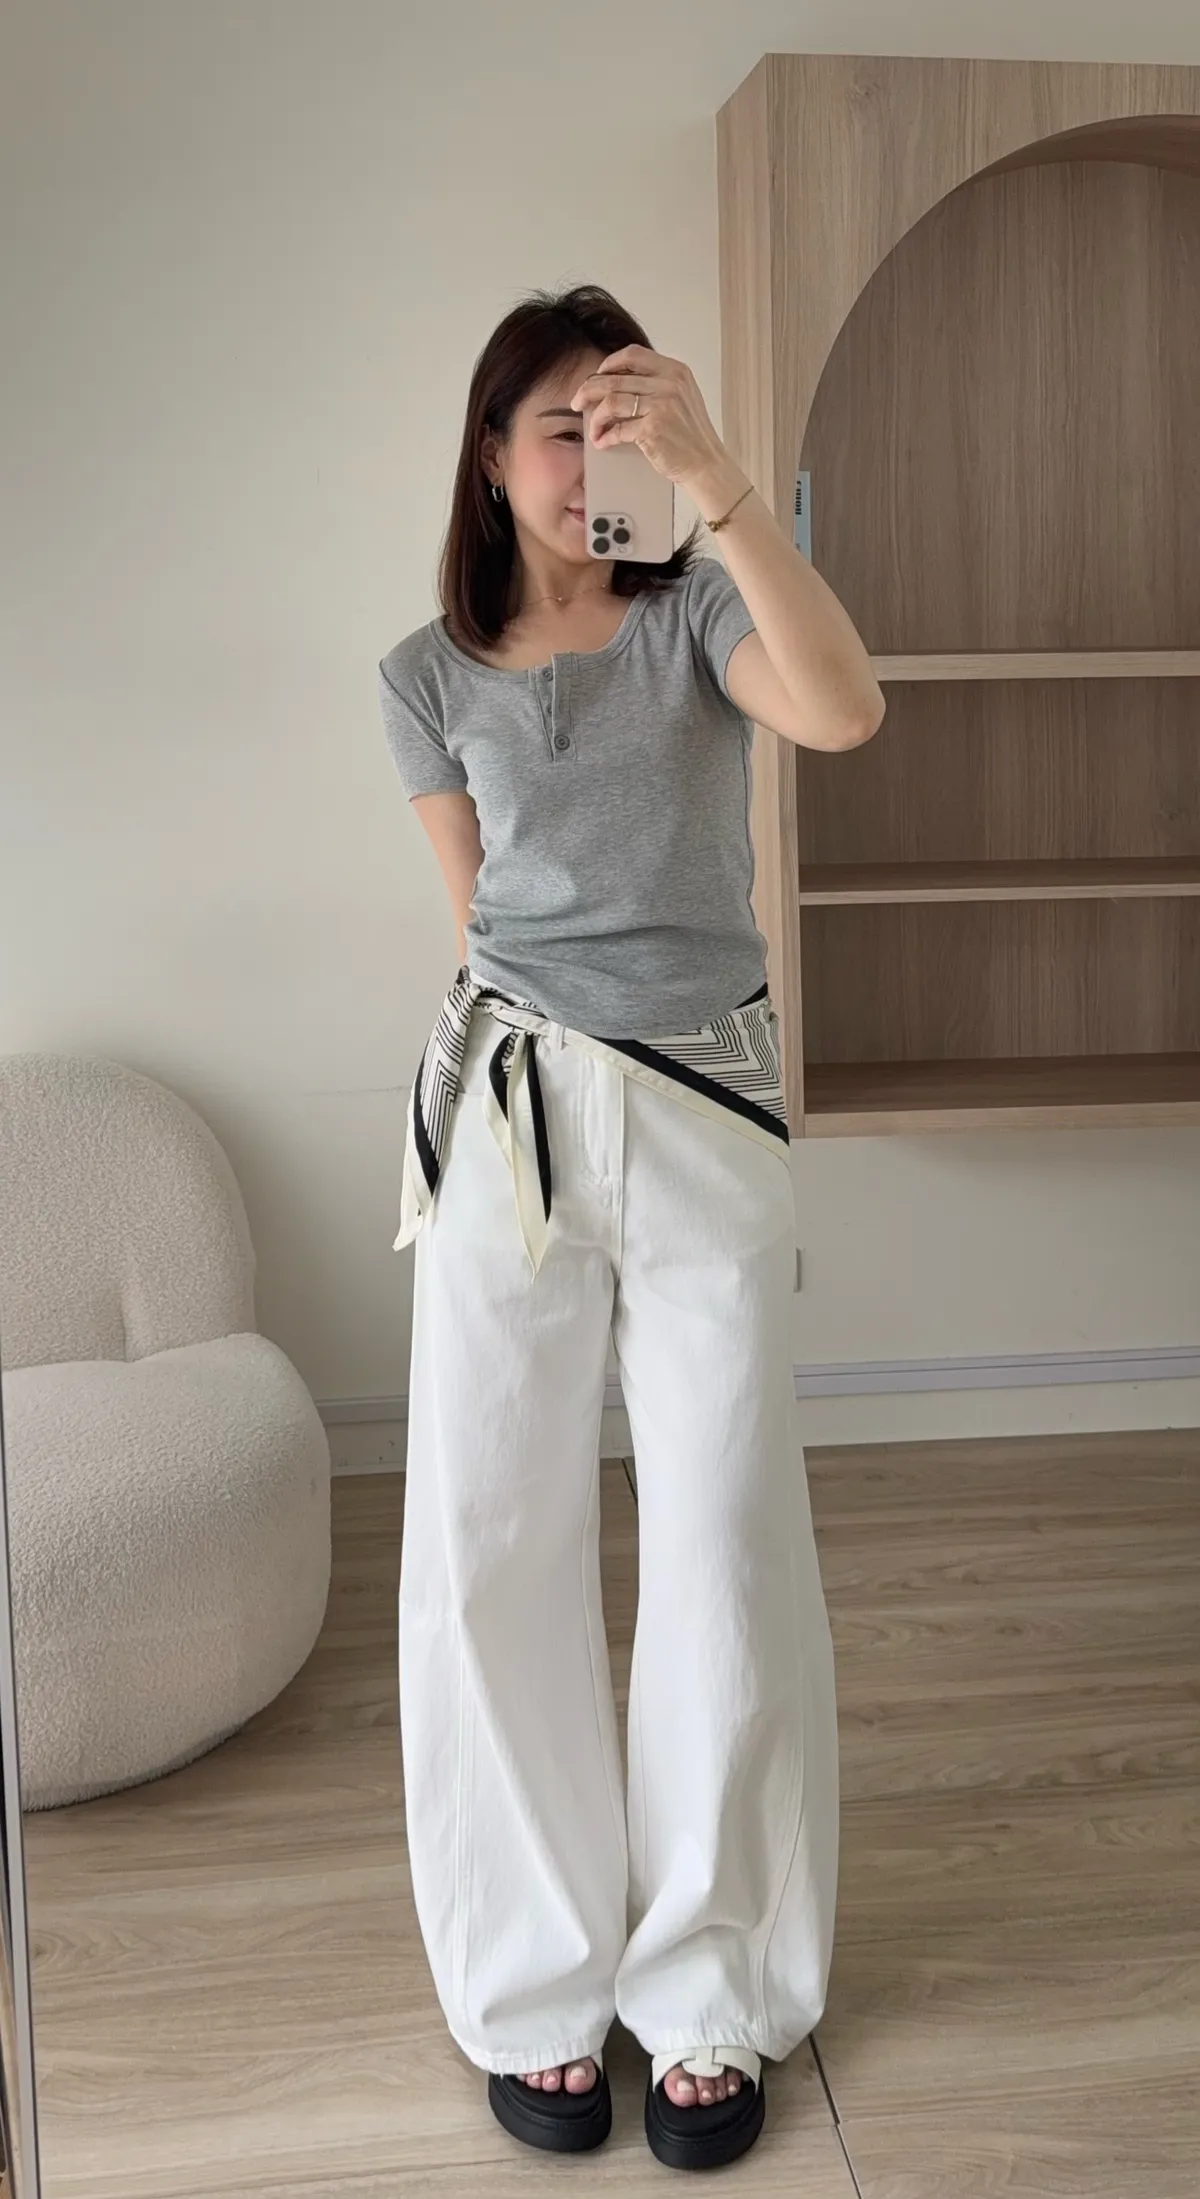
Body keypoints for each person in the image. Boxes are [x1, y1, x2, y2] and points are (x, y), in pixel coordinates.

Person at [377, 283, 884, 2174]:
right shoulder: (422, 674)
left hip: (702, 1109)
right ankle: (529, 1979)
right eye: (561, 426)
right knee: (489, 1536)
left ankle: (712, 1980)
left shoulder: (701, 619)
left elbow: (846, 709)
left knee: (725, 1531)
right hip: (512, 1113)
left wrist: (724, 482)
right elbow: (483, 918)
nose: (594, 456)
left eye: (620, 418)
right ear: (491, 455)